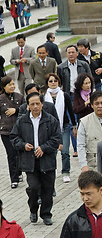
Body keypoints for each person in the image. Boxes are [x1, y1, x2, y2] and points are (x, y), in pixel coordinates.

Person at [10, 92, 61, 226]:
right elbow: (14, 138)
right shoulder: (22, 121)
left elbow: (56, 139)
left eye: (38, 103)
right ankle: (33, 210)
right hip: (29, 160)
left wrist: (44, 148)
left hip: (47, 160)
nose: (35, 106)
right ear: (28, 106)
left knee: (47, 188)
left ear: (42, 104)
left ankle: (46, 214)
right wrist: (23, 145)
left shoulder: (51, 120)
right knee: (33, 187)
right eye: (32, 104)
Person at [44, 73, 77, 184]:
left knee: (65, 151)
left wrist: (74, 125)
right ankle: (51, 173)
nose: (53, 83)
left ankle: (66, 172)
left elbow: (70, 111)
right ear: (47, 83)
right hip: (49, 128)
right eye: (50, 81)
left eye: (55, 81)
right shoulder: (44, 96)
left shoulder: (64, 95)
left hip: (64, 126)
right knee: (52, 152)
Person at [77, 91, 102, 172]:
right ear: (92, 105)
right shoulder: (84, 122)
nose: (100, 106)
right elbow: (80, 146)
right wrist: (83, 165)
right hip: (93, 166)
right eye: (96, 104)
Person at [0, 76, 25, 188]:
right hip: (5, 132)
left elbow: (25, 109)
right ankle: (13, 179)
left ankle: (19, 172)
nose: (12, 86)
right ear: (4, 86)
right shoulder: (1, 99)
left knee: (18, 153)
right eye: (9, 84)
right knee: (11, 154)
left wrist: (16, 110)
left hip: (19, 131)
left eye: (13, 84)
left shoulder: (19, 97)